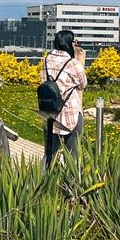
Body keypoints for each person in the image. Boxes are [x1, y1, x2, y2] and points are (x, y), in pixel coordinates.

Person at [40, 29, 87, 168]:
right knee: (72, 155)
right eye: (74, 42)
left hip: (50, 113)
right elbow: (82, 84)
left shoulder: (46, 60)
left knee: (50, 154)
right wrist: (80, 59)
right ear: (69, 44)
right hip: (70, 112)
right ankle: (72, 185)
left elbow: (43, 80)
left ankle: (46, 181)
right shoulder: (73, 63)